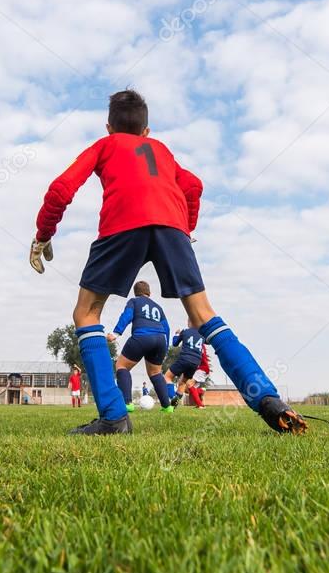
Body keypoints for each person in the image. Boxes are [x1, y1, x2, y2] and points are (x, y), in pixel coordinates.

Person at [30, 89, 306, 435]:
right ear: (146, 131)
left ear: (109, 128)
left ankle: (114, 418)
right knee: (205, 315)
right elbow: (193, 185)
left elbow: (60, 189)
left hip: (121, 226)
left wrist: (44, 233)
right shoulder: (160, 150)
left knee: (87, 314)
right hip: (172, 229)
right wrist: (185, 229)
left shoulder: (105, 146)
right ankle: (269, 401)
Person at [107, 280, 172, 413]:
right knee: (155, 372)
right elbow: (167, 327)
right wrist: (166, 346)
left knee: (122, 366)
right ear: (149, 292)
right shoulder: (158, 307)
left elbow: (127, 316)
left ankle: (127, 404)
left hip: (142, 336)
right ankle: (167, 407)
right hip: (160, 339)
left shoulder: (134, 301)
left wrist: (116, 333)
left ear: (135, 293)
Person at [169, 326, 208, 408]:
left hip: (201, 368)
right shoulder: (200, 340)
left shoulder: (196, 343)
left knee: (188, 384)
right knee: (183, 385)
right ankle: (200, 392)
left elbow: (175, 343)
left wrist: (177, 334)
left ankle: (200, 404)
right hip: (197, 366)